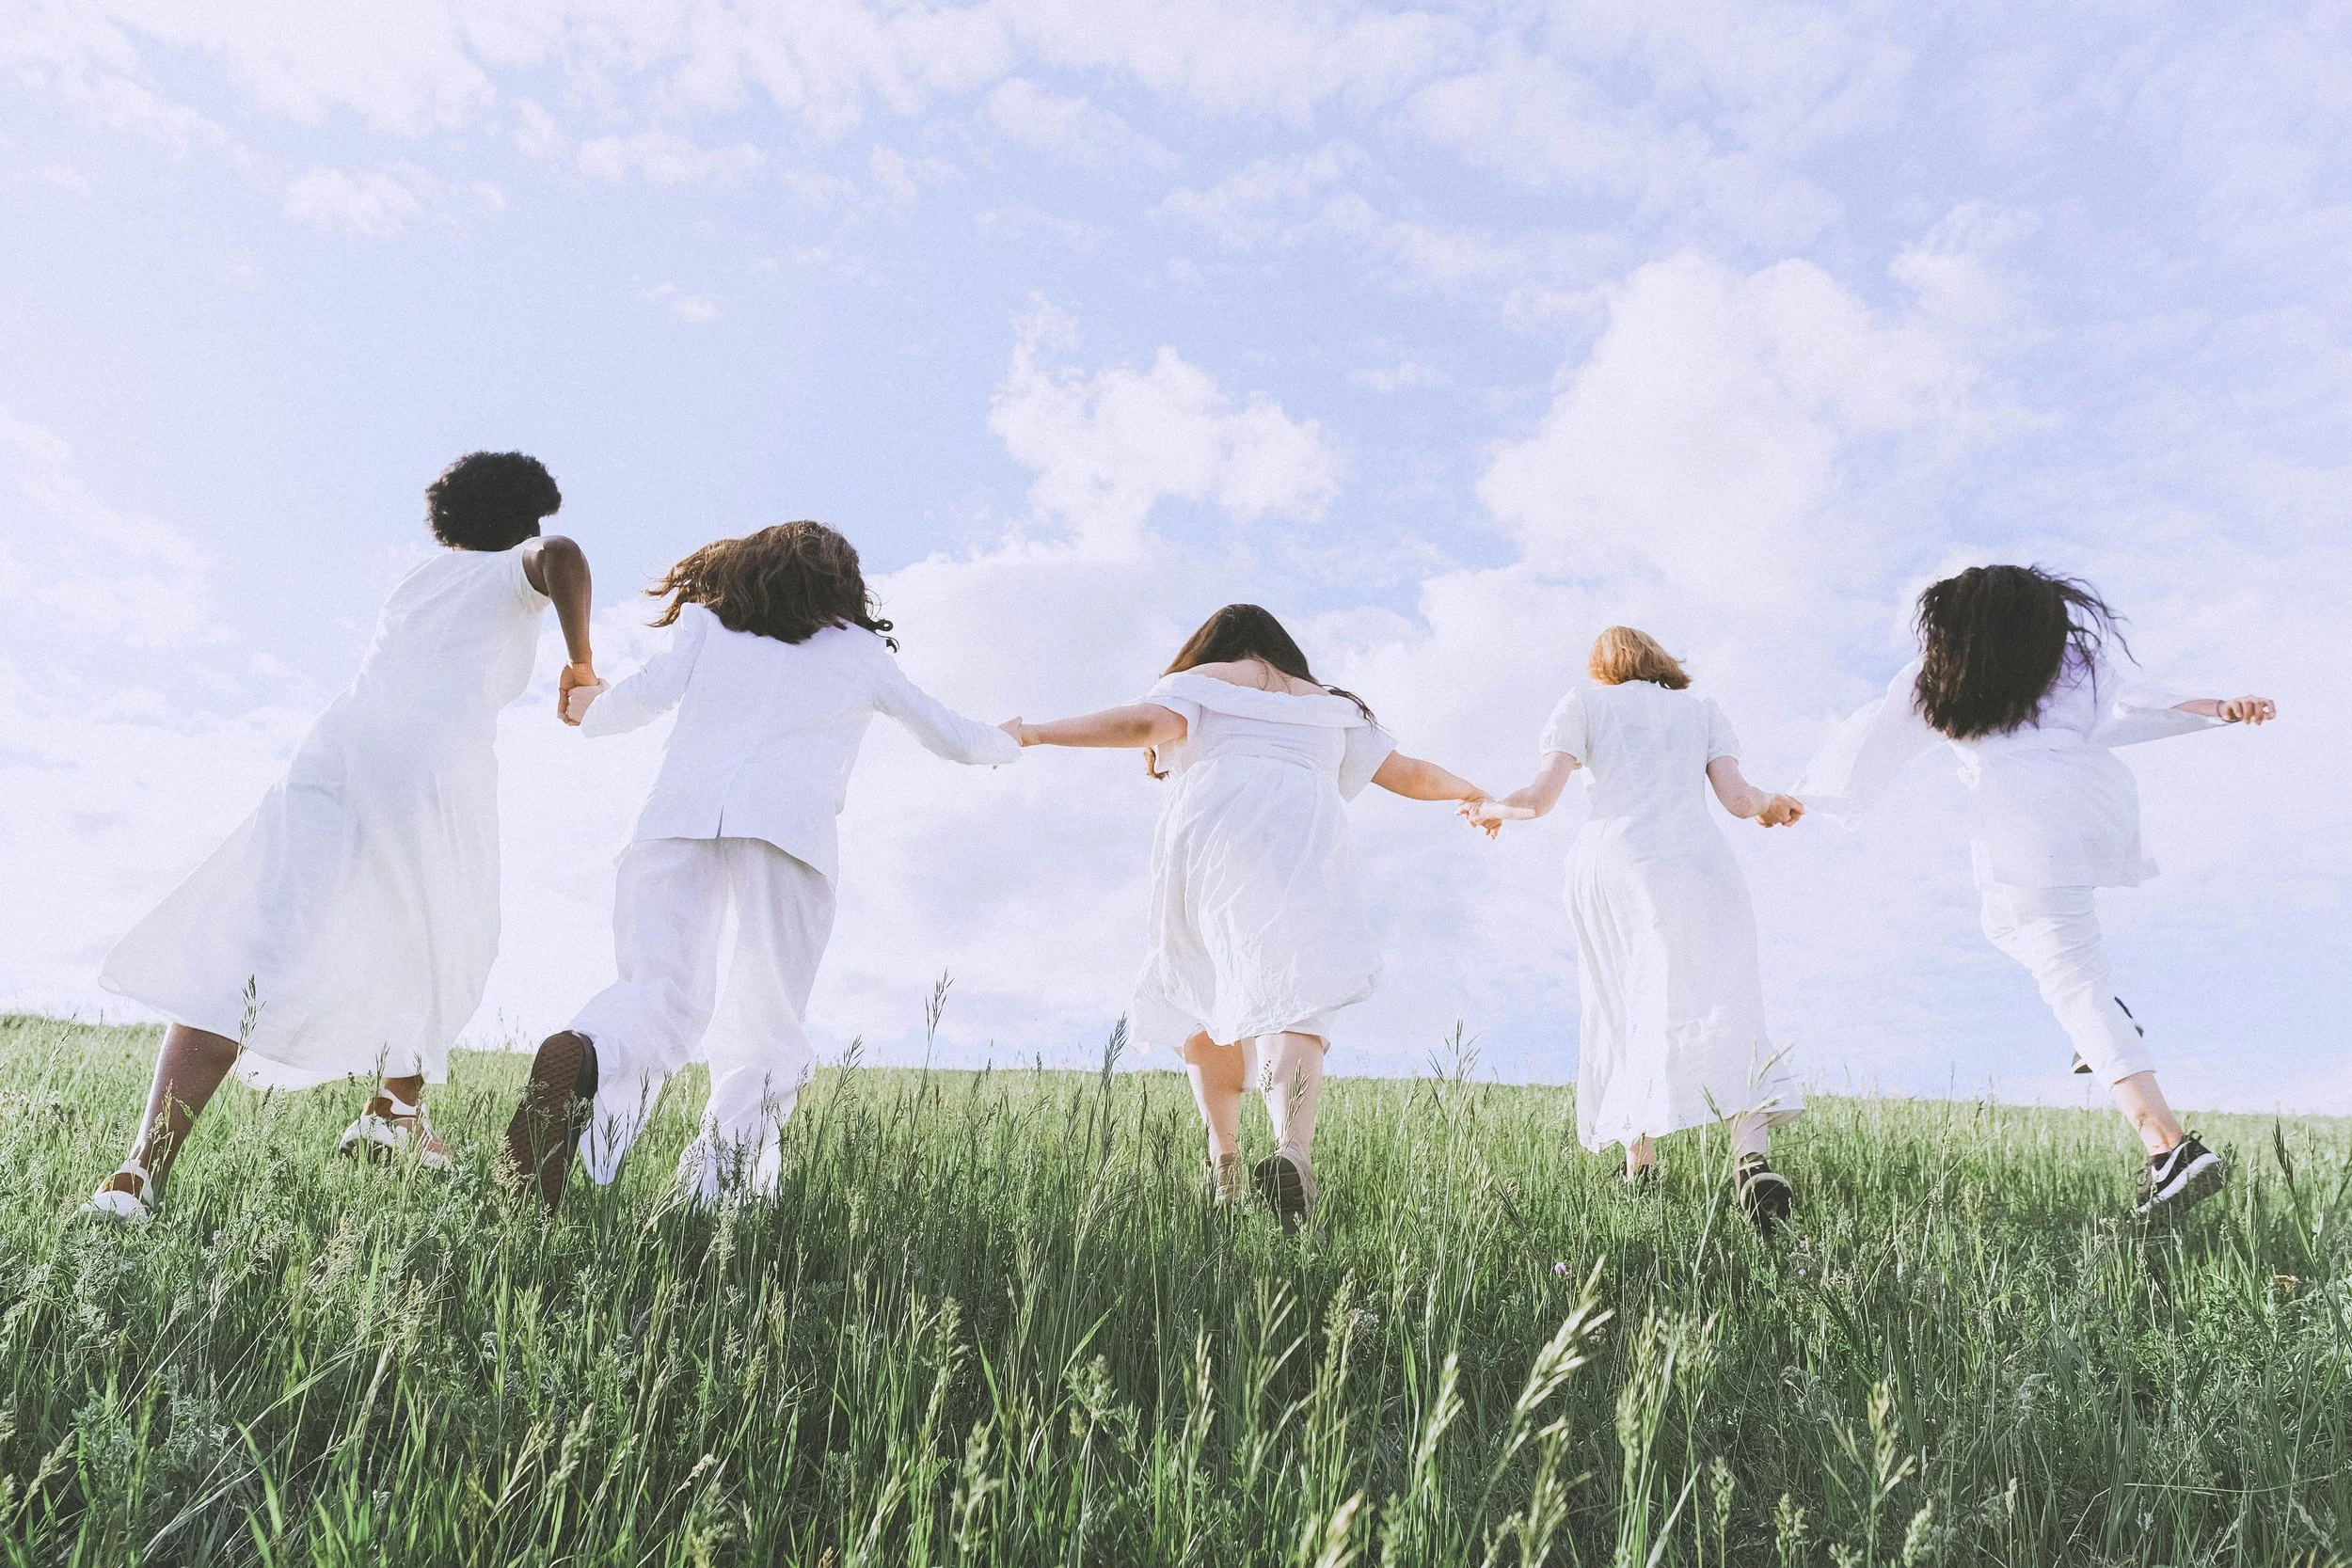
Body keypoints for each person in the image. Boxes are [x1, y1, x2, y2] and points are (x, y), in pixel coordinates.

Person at [87, 451, 596, 1221]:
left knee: (251, 946)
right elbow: (561, 557)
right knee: (443, 932)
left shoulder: (414, 586)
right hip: (430, 767)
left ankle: (138, 1171)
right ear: (520, 521)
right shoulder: (509, 570)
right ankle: (395, 1110)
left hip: (333, 754)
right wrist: (582, 663)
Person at [504, 521, 1018, 1212]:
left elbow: (638, 698)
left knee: (662, 990)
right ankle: (713, 1209)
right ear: (845, 585)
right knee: (764, 1026)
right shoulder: (860, 650)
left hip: (675, 820)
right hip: (788, 832)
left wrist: (586, 704)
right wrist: (1009, 742)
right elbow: (950, 734)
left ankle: (589, 1051)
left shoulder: (710, 627)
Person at [1798, 564, 2275, 1216]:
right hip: (2084, 805)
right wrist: (2219, 708)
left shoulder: (1941, 674)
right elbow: (2136, 700)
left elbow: (1875, 734)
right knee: (2008, 928)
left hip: (2018, 820)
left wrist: (1801, 799)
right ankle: (2105, 1015)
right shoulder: (2069, 664)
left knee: (2068, 976)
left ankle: (2169, 1148)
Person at [1002, 604, 1494, 1228]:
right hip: (1306, 849)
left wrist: (1037, 732)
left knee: (1203, 997)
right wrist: (1477, 794)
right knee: (1296, 1003)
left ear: (1214, 647)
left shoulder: (1201, 683)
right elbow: (1409, 773)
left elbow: (1138, 723)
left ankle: (1226, 1159)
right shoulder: (1331, 705)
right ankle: (1293, 1149)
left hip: (1214, 844)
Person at [1465, 627, 1805, 1228]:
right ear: (1660, 662)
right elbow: (1738, 799)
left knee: (1623, 1001)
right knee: (1728, 999)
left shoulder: (1586, 703)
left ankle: (1639, 1163)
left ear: (1603, 667)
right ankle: (1751, 1161)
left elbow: (1539, 799)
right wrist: (1774, 803)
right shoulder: (1700, 711)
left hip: (1616, 861)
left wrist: (1490, 808)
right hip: (1700, 863)